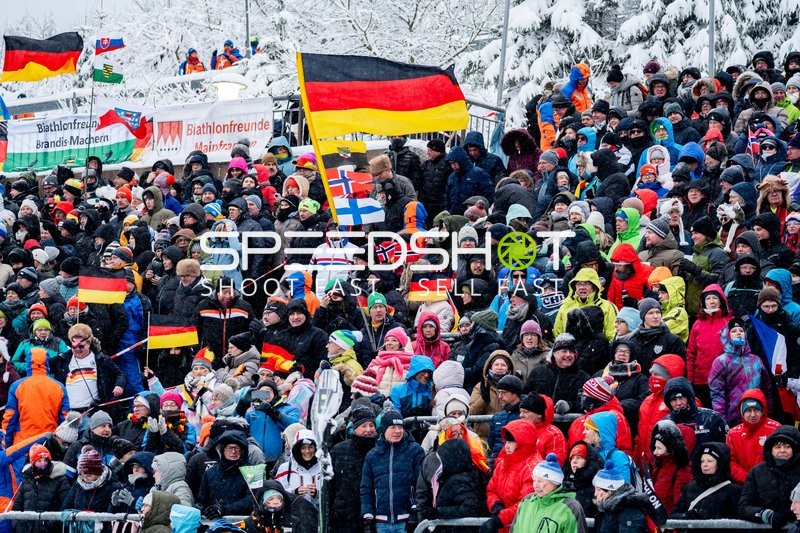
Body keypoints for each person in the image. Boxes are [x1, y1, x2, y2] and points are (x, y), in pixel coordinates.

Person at [360, 409, 425, 532]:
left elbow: (421, 484)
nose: (397, 431)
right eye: (393, 427)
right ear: (384, 430)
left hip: (406, 520)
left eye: (400, 427)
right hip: (381, 522)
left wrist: (416, 508)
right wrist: (367, 515)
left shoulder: (415, 451)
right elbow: (366, 488)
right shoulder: (372, 455)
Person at [708, 317, 772, 426]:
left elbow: (767, 389)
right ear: (727, 335)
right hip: (733, 418)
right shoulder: (721, 362)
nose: (738, 333)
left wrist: (768, 411)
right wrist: (722, 420)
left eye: (741, 330)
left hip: (757, 415)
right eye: (734, 331)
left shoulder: (756, 360)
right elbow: (717, 394)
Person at [2, 347, 68, 447]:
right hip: (49, 442)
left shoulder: (17, 386)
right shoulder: (59, 387)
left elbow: (10, 417)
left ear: (28, 362)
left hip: (22, 443)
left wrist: (7, 443)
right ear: (47, 362)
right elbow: (64, 418)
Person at [484, 419, 541, 532]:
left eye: (511, 442)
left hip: (525, 527)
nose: (506, 446)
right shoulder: (503, 463)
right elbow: (491, 490)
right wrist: (495, 504)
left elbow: (526, 504)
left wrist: (501, 519)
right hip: (505, 526)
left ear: (523, 442)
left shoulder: (534, 468)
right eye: (506, 441)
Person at [507, 453, 587, 532]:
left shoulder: (571, 508)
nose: (535, 485)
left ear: (554, 482)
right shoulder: (527, 501)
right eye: (534, 480)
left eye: (540, 481)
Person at [740, 426, 800, 528]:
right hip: (765, 528)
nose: (782, 450)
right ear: (770, 449)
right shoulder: (757, 472)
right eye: (777, 447)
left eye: (787, 447)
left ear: (795, 449)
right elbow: (743, 507)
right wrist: (766, 515)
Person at [329, 407, 377, 532]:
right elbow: (330, 487)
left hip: (373, 514)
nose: (368, 429)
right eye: (364, 426)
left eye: (371, 425)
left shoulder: (380, 450)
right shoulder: (339, 451)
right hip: (344, 517)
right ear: (354, 428)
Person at [671, 442, 742, 522]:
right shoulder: (690, 488)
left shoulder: (734, 491)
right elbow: (673, 515)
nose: (705, 464)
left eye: (709, 461)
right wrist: (686, 515)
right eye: (702, 461)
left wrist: (712, 517)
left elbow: (737, 520)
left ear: (719, 464)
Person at [526, 333, 590, 415]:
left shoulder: (583, 377)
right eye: (564, 351)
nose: (568, 354)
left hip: (569, 422)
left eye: (571, 352)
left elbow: (585, 404)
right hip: (539, 420)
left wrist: (569, 406)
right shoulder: (538, 372)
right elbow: (526, 395)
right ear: (554, 353)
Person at [727, 389, 782, 484]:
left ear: (762, 411)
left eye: (756, 410)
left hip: (771, 483)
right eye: (748, 411)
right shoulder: (733, 433)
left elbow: (782, 457)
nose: (752, 415)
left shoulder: (775, 429)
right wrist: (748, 479)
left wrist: (766, 479)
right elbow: (730, 462)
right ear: (742, 412)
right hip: (743, 485)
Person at [13, 444, 71, 533]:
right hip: (25, 529)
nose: (43, 464)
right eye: (39, 461)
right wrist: (17, 525)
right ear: (33, 463)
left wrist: (50, 524)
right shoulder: (27, 479)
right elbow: (17, 505)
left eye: (45, 460)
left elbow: (65, 506)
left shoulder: (60, 480)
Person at [196, 428, 253, 518]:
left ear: (242, 451)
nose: (233, 451)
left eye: (237, 448)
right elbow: (201, 500)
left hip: (242, 521)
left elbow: (251, 501)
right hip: (214, 521)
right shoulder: (210, 473)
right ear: (222, 450)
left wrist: (224, 509)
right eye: (230, 448)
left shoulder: (252, 471)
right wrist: (200, 508)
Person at [664, 377, 728, 448]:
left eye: (681, 398)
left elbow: (725, 448)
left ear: (689, 398)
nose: (679, 403)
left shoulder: (713, 418)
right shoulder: (664, 425)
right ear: (668, 403)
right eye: (674, 400)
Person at [649, 419, 695, 514]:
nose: (655, 452)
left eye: (659, 448)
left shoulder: (682, 469)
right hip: (657, 517)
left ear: (670, 449)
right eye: (655, 447)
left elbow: (680, 503)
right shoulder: (659, 467)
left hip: (669, 519)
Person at [591, 461, 651, 533]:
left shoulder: (628, 512)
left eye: (598, 490)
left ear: (610, 491)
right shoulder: (610, 508)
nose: (595, 494)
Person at [241, 480, 318, 533]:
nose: (275, 502)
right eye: (270, 499)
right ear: (262, 502)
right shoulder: (250, 523)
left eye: (279, 498)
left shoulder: (293, 522)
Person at [274, 429, 320, 502]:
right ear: (298, 450)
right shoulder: (286, 468)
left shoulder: (323, 469)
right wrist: (294, 492)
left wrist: (317, 494)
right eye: (303, 448)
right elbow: (276, 493)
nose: (307, 451)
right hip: (293, 509)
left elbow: (331, 496)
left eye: (311, 447)